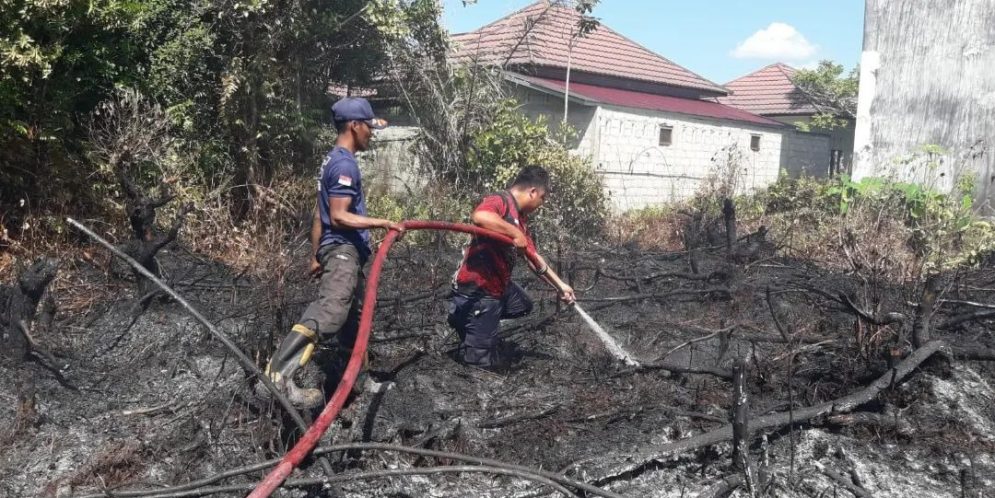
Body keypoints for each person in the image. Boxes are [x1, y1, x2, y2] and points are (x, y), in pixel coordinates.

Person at [257, 97, 402, 408]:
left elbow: (317, 214)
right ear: (354, 125)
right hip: (343, 251)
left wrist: (315, 253)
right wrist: (383, 222)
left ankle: (355, 381)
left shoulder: (331, 161)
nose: (371, 133)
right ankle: (277, 376)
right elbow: (337, 216)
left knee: (355, 320)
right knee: (332, 311)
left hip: (340, 251)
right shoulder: (344, 165)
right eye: (369, 127)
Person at [447, 166, 576, 370]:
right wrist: (514, 233)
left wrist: (560, 286)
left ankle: (479, 325)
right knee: (481, 367)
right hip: (478, 292)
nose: (541, 204)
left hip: (498, 287)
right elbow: (480, 216)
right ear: (533, 192)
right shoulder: (501, 201)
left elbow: (533, 258)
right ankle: (471, 323)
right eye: (542, 198)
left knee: (522, 304)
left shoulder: (520, 219)